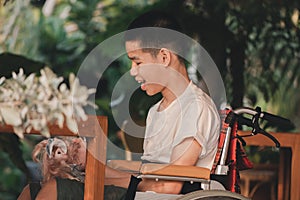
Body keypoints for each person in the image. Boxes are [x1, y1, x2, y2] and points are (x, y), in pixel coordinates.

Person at [18, 10, 220, 199]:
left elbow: (169, 187)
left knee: (55, 189)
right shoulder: (156, 111)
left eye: (138, 62)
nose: (132, 71)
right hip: (143, 192)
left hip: (162, 197)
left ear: (165, 57)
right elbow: (144, 176)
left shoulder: (195, 108)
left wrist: (100, 174)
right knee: (32, 191)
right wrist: (91, 166)